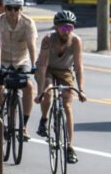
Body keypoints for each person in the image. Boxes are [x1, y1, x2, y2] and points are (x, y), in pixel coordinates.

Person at [33, 10, 87, 163]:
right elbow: (42, 65)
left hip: (65, 71)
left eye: (69, 28)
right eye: (63, 28)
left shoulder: (76, 41)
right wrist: (40, 92)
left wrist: (81, 90)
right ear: (56, 28)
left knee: (68, 103)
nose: (66, 31)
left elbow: (78, 66)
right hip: (48, 68)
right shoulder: (48, 39)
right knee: (48, 93)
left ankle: (69, 147)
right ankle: (44, 120)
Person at [0, 0, 37, 139]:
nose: (12, 12)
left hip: (21, 60)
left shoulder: (28, 23)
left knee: (28, 86)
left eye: (16, 8)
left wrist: (34, 65)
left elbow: (31, 44)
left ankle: (23, 127)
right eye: (9, 8)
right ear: (5, 8)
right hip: (1, 59)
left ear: (21, 9)